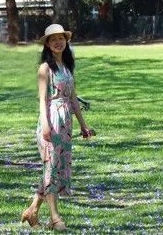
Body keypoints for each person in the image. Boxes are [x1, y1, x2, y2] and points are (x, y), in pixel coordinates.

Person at [21, 24, 94, 231]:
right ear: (47, 44)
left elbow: (73, 98)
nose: (58, 42)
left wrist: (83, 125)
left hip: (66, 122)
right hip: (51, 119)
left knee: (56, 167)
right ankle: (54, 217)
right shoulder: (45, 68)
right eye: (53, 40)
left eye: (61, 38)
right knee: (51, 166)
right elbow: (42, 99)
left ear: (66, 41)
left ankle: (32, 210)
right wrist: (45, 125)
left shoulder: (68, 68)